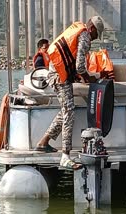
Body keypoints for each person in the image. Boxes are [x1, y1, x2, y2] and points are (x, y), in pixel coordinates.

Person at [34, 16, 106, 170]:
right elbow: (80, 66)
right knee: (69, 112)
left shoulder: (78, 29)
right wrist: (89, 79)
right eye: (95, 35)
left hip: (56, 73)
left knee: (65, 111)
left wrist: (84, 76)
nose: (93, 40)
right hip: (60, 77)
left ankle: (43, 142)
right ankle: (65, 156)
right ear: (92, 28)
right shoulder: (85, 36)